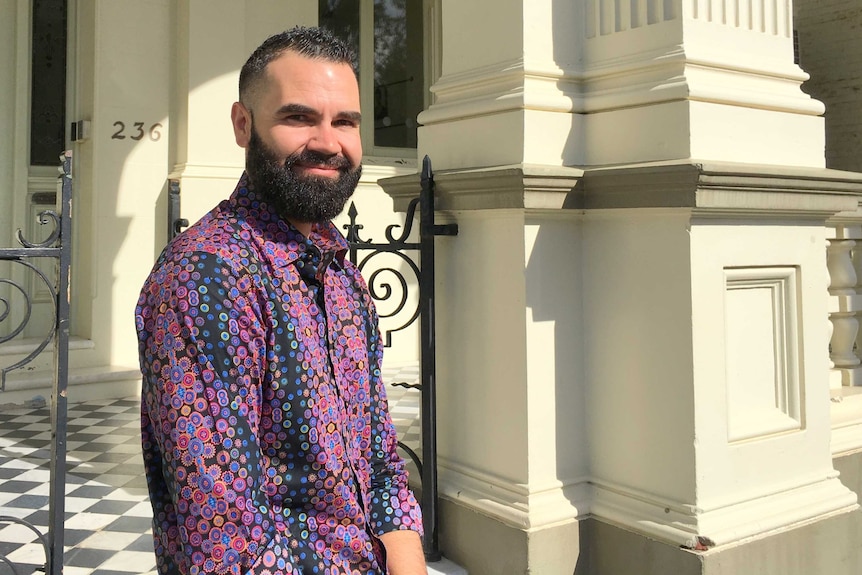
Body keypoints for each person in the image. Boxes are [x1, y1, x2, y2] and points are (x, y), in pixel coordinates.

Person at [135, 26, 426, 575]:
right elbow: (222, 537)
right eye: (298, 117)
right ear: (243, 125)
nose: (327, 141)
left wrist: (406, 553)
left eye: (345, 121)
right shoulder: (210, 276)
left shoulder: (336, 264)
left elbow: (379, 451)